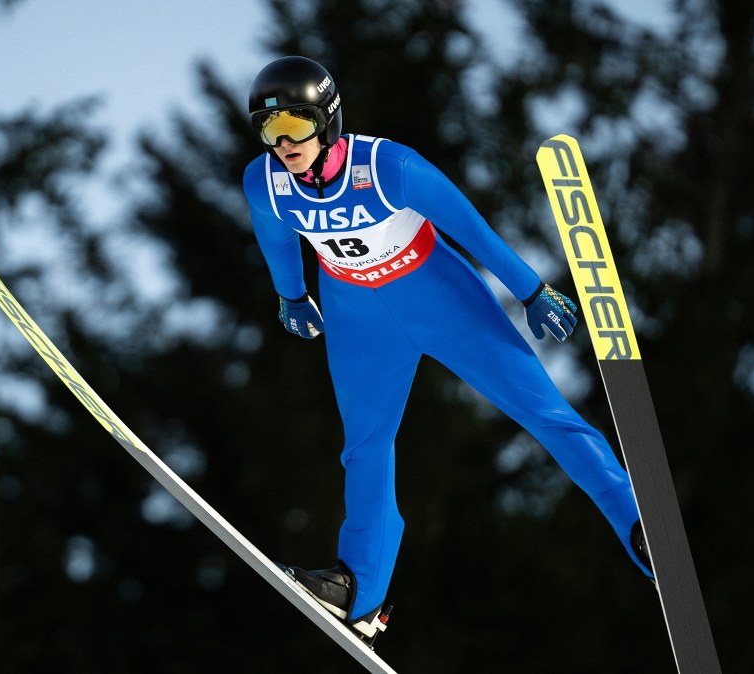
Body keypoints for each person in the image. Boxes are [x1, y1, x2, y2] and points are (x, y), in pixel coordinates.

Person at [242, 56, 653, 642]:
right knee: (365, 446)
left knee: (542, 411)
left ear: (327, 121)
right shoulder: (266, 182)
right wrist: (292, 296)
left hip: (437, 295)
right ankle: (360, 591)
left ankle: (638, 524)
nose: (282, 144)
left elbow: (472, 228)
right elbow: (276, 236)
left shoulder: (391, 167)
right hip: (358, 315)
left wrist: (532, 291)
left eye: (295, 128)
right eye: (268, 131)